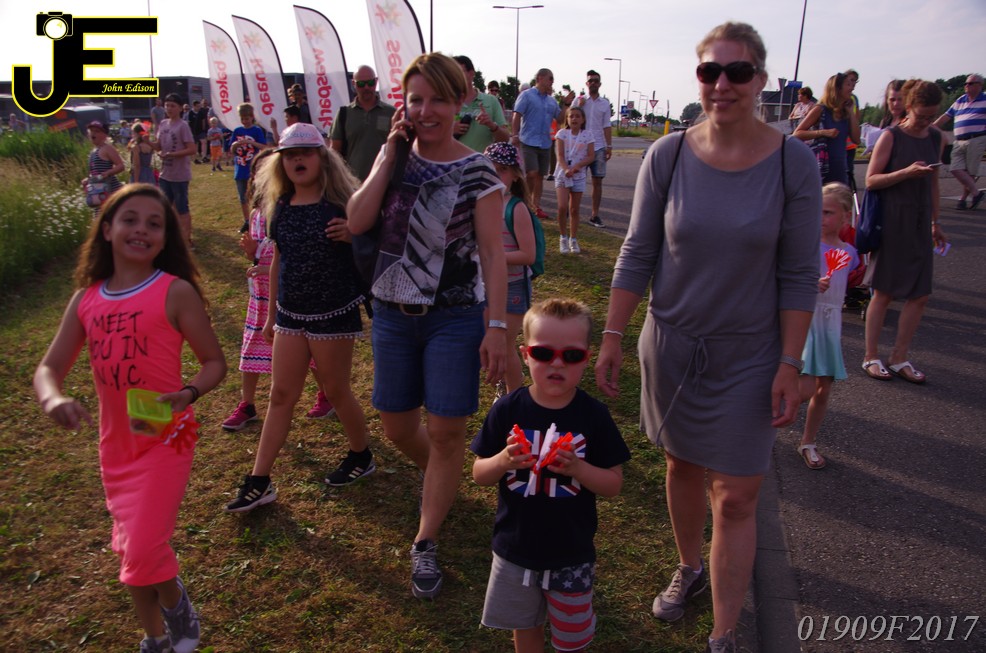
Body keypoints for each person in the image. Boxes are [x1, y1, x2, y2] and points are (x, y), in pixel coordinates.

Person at [594, 22, 820, 653]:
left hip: (751, 354)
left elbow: (800, 273)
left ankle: (723, 635)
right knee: (682, 464)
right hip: (672, 344)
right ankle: (690, 566)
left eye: (737, 72)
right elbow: (638, 251)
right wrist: (613, 334)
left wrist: (790, 361)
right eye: (709, 71)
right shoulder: (667, 155)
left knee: (739, 496)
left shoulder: (793, 163)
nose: (722, 84)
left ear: (760, 80)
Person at [33, 184, 227, 653]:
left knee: (141, 547)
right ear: (107, 230)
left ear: (165, 239)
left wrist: (187, 393)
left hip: (165, 437)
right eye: (130, 220)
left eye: (154, 224)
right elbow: (48, 369)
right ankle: (156, 637)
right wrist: (53, 399)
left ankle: (175, 603)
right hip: (116, 447)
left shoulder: (174, 292)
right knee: (130, 549)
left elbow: (214, 363)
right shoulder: (86, 300)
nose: (141, 230)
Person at [347, 52, 508, 600]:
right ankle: (446, 474)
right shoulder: (394, 158)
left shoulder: (478, 170)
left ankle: (426, 538)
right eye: (416, 99)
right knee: (396, 426)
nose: (426, 110)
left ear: (459, 102)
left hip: (454, 318)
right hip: (392, 315)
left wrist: (498, 327)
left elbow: (493, 253)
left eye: (438, 99)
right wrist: (388, 154)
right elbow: (357, 220)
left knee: (445, 432)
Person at [224, 122, 374, 512]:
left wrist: (355, 235)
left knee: (336, 391)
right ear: (281, 163)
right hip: (290, 315)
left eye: (306, 153)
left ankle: (361, 454)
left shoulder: (342, 204)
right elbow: (278, 260)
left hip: (334, 313)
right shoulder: (281, 207)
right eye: (290, 155)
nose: (297, 160)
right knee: (280, 395)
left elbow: (378, 245)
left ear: (322, 158)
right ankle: (259, 480)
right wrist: (271, 315)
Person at [471, 298, 630, 653]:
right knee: (524, 625)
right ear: (526, 355)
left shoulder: (593, 416)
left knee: (571, 638)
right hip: (514, 549)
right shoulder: (508, 409)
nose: (557, 363)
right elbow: (479, 473)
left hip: (570, 553)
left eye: (571, 355)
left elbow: (613, 484)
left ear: (586, 358)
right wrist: (504, 460)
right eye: (544, 353)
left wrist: (578, 468)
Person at [221, 148, 336, 433]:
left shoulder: (289, 209)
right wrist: (252, 254)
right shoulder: (256, 214)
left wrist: (263, 266)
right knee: (251, 347)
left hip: (289, 296)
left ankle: (327, 396)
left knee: (308, 352)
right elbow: (261, 253)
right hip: (259, 298)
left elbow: (289, 254)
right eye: (257, 172)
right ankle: (247, 404)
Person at [862, 80, 947, 385]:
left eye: (931, 116)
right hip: (893, 218)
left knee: (920, 294)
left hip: (920, 220)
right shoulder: (891, 136)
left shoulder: (935, 136)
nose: (926, 121)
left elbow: (934, 183)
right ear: (909, 107)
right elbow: (871, 180)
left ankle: (899, 357)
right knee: (884, 292)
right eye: (922, 115)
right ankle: (871, 355)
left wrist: (936, 222)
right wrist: (906, 172)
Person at [797, 183, 859, 470]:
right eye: (817, 211)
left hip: (831, 323)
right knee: (804, 388)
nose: (821, 218)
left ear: (845, 216)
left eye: (828, 213)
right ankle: (761, 426)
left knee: (824, 388)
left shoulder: (849, 253)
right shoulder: (805, 247)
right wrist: (811, 284)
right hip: (806, 319)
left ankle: (808, 441)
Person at [485, 142, 538, 394]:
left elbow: (528, 255)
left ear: (516, 174)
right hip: (484, 286)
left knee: (505, 346)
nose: (495, 175)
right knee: (488, 340)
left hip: (513, 286)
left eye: (502, 170)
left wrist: (492, 257)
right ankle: (503, 387)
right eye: (490, 169)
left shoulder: (516, 208)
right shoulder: (480, 203)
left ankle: (514, 397)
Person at [511, 69, 574, 220]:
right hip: (528, 141)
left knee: (540, 176)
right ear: (539, 78)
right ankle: (524, 203)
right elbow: (517, 114)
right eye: (550, 78)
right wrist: (514, 134)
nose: (552, 81)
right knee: (531, 173)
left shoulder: (551, 101)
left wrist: (566, 104)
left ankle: (535, 207)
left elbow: (560, 119)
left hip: (545, 143)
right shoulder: (527, 95)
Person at [330, 65, 396, 182]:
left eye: (370, 83)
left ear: (376, 82)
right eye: (361, 84)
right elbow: (335, 152)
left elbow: (399, 149)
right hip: (352, 183)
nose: (366, 87)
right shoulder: (344, 114)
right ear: (354, 84)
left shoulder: (391, 113)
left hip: (384, 182)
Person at [793, 73, 860, 186]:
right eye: (848, 85)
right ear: (837, 88)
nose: (852, 88)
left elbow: (857, 139)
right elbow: (797, 134)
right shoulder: (820, 110)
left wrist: (851, 112)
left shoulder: (845, 113)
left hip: (840, 171)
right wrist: (823, 132)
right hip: (821, 170)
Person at [933, 74, 986, 210]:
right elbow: (945, 117)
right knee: (956, 168)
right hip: (959, 140)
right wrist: (930, 128)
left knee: (970, 172)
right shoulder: (960, 100)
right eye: (965, 84)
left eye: (970, 83)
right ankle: (976, 194)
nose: (966, 86)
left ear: (980, 85)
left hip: (976, 138)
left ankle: (963, 199)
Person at [153, 93, 197, 246]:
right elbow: (158, 146)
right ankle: (170, 238)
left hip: (179, 175)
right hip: (165, 174)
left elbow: (192, 149)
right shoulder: (163, 124)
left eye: (172, 106)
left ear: (180, 108)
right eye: (167, 105)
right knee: (165, 208)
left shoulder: (183, 126)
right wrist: (147, 142)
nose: (169, 108)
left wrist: (173, 154)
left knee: (181, 208)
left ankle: (186, 240)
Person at [554, 106, 595, 255]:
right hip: (563, 174)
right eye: (571, 116)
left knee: (574, 209)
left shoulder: (588, 135)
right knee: (562, 207)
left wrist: (577, 166)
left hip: (578, 175)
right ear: (567, 119)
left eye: (578, 116)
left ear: (583, 119)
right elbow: (559, 155)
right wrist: (566, 169)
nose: (574, 119)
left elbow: (591, 156)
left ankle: (573, 238)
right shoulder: (562, 134)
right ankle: (563, 237)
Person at [576, 70, 613, 229]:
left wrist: (609, 146)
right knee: (576, 180)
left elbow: (607, 125)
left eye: (595, 81)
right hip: (581, 146)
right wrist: (579, 106)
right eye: (590, 80)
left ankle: (594, 215)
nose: (593, 83)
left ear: (600, 84)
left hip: (598, 146)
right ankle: (572, 210)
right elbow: (569, 120)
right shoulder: (580, 101)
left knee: (597, 181)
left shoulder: (604, 103)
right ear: (586, 83)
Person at [452, 55, 510, 153]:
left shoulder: (491, 101)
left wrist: (492, 125)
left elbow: (505, 139)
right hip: (454, 161)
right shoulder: (446, 102)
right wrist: (450, 130)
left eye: (459, 72)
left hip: (482, 161)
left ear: (471, 74)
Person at [230, 103, 269, 232]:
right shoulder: (237, 131)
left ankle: (258, 219)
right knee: (242, 197)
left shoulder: (256, 130)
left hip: (252, 169)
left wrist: (250, 142)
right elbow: (231, 149)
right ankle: (247, 220)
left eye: (247, 118)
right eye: (242, 119)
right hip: (240, 169)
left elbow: (264, 147)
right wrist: (235, 145)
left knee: (257, 195)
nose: (245, 121)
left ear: (252, 117)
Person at [81, 120, 125, 212]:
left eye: (97, 131)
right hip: (98, 191)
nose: (93, 133)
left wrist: (108, 173)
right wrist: (88, 180)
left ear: (104, 135)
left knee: (111, 214)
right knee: (100, 216)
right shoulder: (93, 151)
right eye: (91, 131)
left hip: (110, 189)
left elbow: (121, 166)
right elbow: (94, 171)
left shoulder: (107, 148)